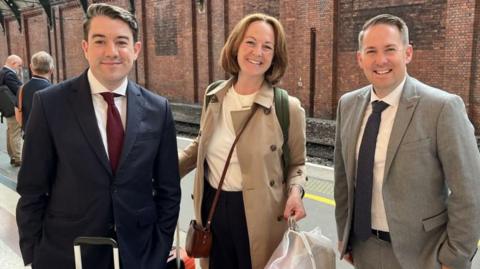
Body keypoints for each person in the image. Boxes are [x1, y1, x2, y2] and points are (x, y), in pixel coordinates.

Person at [16, 3, 181, 269]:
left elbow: (169, 190)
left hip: (139, 254)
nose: (111, 52)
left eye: (121, 42)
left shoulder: (158, 109)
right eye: (100, 41)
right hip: (67, 253)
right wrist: (35, 256)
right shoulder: (49, 105)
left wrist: (160, 247)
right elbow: (32, 189)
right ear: (85, 48)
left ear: (136, 50)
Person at [334, 14, 480, 269]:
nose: (381, 60)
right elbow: (342, 180)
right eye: (371, 51)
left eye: (390, 49)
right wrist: (345, 237)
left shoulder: (442, 108)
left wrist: (455, 258)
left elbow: (469, 191)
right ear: (360, 58)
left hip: (424, 255)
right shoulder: (348, 105)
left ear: (408, 53)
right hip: (364, 249)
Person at [179, 13, 307, 269]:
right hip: (213, 208)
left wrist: (295, 192)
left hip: (260, 215)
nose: (257, 52)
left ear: (274, 55)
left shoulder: (286, 107)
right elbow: (200, 145)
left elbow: (298, 164)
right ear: (236, 45)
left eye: (267, 46)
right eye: (251, 42)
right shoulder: (214, 95)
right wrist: (159, 172)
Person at [19, 51, 54, 131]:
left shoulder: (22, 88)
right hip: (47, 137)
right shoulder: (54, 90)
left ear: (31, 67)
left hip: (28, 135)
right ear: (51, 70)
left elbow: (18, 114)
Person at [0, 54, 23, 166]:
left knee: (10, 132)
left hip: (5, 107)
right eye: (19, 65)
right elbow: (18, 90)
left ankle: (13, 156)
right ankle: (18, 158)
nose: (19, 68)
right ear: (13, 63)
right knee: (15, 133)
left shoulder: (2, 72)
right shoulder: (9, 74)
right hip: (13, 108)